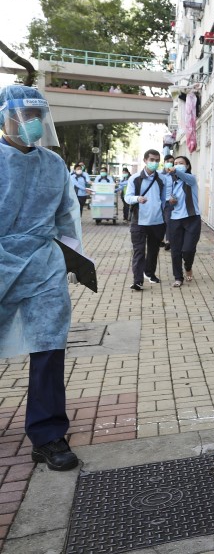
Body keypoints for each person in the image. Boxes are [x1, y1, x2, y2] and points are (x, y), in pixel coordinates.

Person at [0, 85, 84, 471]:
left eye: (37, 117)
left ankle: (48, 434)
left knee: (49, 344)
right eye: (23, 115)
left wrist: (75, 259)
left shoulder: (53, 164)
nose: (31, 124)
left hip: (42, 262)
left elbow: (67, 218)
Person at [124, 149, 171, 291]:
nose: (154, 163)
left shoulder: (162, 179)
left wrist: (166, 212)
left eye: (157, 160)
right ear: (145, 160)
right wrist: (137, 199)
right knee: (139, 250)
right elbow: (127, 197)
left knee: (153, 250)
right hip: (139, 221)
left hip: (157, 221)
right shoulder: (135, 178)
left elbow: (164, 199)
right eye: (152, 160)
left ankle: (150, 273)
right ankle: (137, 281)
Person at [166, 156, 201, 287]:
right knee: (175, 250)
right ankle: (178, 277)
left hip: (192, 218)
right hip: (175, 218)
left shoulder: (191, 179)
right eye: (175, 163)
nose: (177, 165)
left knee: (188, 249)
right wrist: (170, 200)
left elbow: (182, 175)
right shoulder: (172, 182)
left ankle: (188, 266)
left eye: (181, 163)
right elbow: (167, 197)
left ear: (187, 166)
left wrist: (175, 170)